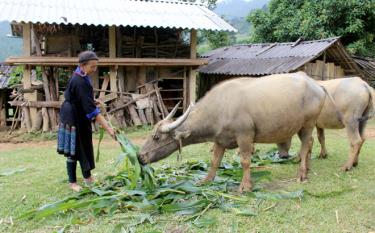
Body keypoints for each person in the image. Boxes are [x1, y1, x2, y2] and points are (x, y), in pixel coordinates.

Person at [57, 51, 115, 192]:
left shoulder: (82, 75)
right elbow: (93, 112)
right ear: (82, 65)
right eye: (92, 67)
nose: (94, 70)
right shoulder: (80, 80)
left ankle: (87, 177)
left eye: (96, 66)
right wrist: (109, 129)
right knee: (74, 148)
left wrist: (91, 101)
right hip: (72, 116)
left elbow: (81, 98)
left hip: (79, 113)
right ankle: (72, 182)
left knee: (85, 144)